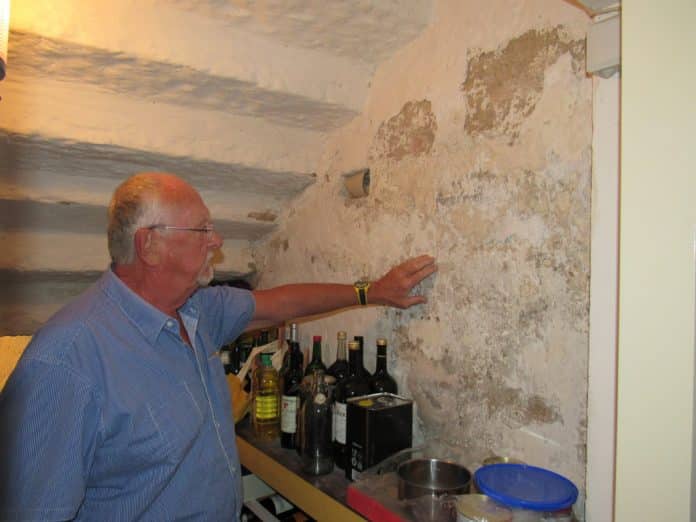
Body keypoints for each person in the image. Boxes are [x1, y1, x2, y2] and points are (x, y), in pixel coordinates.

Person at [0, 172, 437, 521]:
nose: (217, 240)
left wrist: (371, 292)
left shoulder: (196, 310)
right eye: (202, 229)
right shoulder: (65, 363)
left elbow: (281, 303)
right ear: (149, 245)